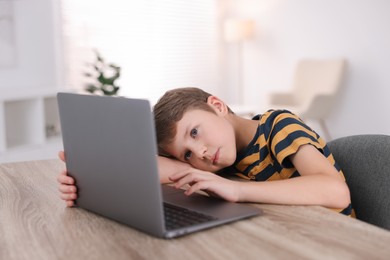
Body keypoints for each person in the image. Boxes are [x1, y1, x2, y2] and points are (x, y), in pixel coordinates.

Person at [58, 87, 352, 215]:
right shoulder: (217, 163)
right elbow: (152, 168)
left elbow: (334, 191)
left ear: (218, 106)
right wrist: (90, 173)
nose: (199, 152)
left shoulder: (278, 125)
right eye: (186, 153)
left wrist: (236, 190)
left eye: (194, 132)